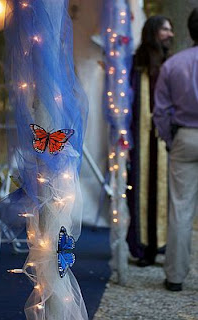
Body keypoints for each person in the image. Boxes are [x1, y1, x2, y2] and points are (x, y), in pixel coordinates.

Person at [153, 8, 198, 291]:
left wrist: (171, 140)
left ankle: (175, 277)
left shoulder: (173, 64)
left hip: (186, 137)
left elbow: (160, 112)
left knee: (181, 208)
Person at [127, 16, 174, 266]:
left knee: (163, 189)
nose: (169, 34)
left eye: (170, 30)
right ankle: (143, 247)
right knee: (139, 189)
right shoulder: (137, 63)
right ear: (153, 32)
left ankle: (161, 245)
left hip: (164, 136)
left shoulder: (171, 62)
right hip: (140, 135)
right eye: (164, 29)